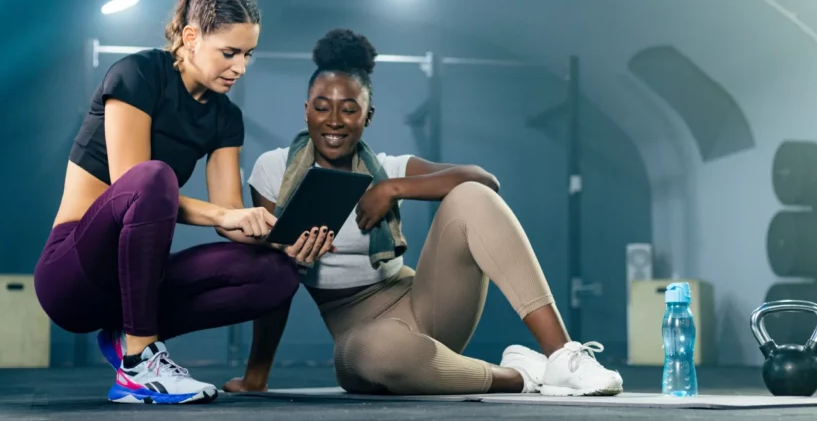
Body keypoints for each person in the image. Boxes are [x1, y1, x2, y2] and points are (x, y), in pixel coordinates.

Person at [225, 28, 624, 397]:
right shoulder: (274, 169)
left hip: (425, 306)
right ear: (307, 110)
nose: (334, 121)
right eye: (322, 107)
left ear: (368, 116)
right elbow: (271, 278)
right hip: (361, 337)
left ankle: (562, 356)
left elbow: (484, 180)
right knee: (379, 351)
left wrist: (393, 188)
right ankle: (522, 376)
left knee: (470, 195)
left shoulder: (390, 167)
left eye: (349, 109)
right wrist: (257, 374)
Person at [34, 0, 330, 405]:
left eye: (248, 55)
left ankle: (126, 334)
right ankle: (139, 363)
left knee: (275, 277)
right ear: (191, 38)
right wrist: (226, 213)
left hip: (133, 285)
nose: (240, 68)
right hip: (74, 273)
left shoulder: (226, 118)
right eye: (230, 52)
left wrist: (279, 239)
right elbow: (132, 185)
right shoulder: (137, 75)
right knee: (154, 177)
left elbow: (227, 218)